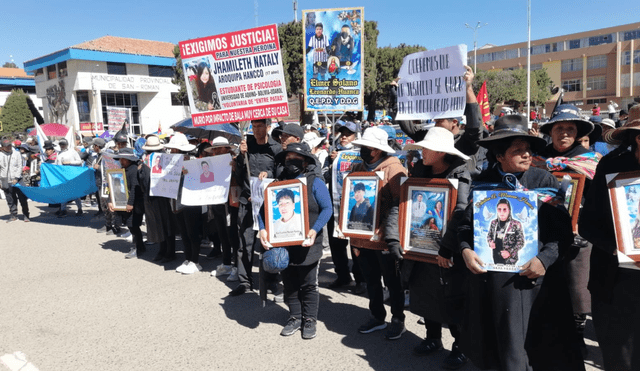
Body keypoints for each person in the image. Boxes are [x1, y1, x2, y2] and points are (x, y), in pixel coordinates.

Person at [457, 115, 581, 371]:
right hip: (493, 283)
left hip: (536, 280)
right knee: (497, 345)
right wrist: (465, 250)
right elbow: (466, 226)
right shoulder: (482, 183)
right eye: (518, 150)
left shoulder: (543, 181)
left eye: (528, 149)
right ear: (499, 155)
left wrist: (543, 260)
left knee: (537, 347)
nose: (527, 155)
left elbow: (563, 233)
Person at [403, 126, 472, 369]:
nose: (422, 151)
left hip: (447, 250)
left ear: (442, 152)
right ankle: (432, 338)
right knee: (425, 293)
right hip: (422, 245)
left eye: (427, 147)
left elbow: (461, 213)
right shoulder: (419, 172)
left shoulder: (460, 176)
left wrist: (448, 248)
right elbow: (408, 207)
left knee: (451, 298)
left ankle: (460, 347)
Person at [580, 104, 640, 371]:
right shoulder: (611, 165)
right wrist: (617, 248)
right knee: (620, 358)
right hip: (615, 281)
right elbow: (587, 224)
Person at [537, 104, 597, 352]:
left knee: (577, 287)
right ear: (550, 131)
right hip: (543, 230)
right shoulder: (537, 159)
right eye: (558, 128)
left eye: (570, 129)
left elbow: (598, 203)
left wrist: (582, 227)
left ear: (577, 132)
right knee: (545, 285)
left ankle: (577, 334)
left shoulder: (591, 161)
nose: (564, 133)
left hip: (578, 234)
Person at [258, 143, 332, 339]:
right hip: (284, 243)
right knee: (289, 282)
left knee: (308, 283)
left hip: (308, 242)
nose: (291, 162)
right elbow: (261, 212)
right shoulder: (277, 185)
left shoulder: (315, 181)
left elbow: (327, 209)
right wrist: (263, 230)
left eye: (295, 158)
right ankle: (295, 316)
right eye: (288, 159)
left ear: (306, 162)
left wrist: (315, 230)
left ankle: (309, 319)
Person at [350, 127, 408, 340]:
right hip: (361, 237)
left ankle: (398, 318)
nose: (363, 149)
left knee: (392, 281)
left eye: (367, 146)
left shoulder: (395, 169)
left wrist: (389, 232)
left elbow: (401, 203)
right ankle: (377, 316)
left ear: (377, 149)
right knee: (371, 279)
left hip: (384, 239)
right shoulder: (358, 166)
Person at [230, 118, 282, 296]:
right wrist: (239, 157)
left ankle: (271, 281)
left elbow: (282, 175)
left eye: (260, 126)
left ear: (268, 127)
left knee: (269, 244)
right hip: (248, 201)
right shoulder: (246, 145)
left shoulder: (276, 149)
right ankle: (245, 281)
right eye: (254, 126)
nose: (257, 129)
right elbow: (238, 173)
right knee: (245, 242)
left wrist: (270, 175)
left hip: (269, 203)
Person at [325, 119, 365, 293]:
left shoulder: (362, 154)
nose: (344, 137)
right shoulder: (332, 154)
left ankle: (360, 279)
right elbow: (325, 177)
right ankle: (342, 276)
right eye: (342, 134)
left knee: (356, 243)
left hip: (355, 206)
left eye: (348, 134)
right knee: (336, 243)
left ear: (355, 136)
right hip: (335, 205)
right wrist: (332, 164)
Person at [166, 133, 202, 274]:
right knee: (184, 232)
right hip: (176, 202)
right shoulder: (170, 162)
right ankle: (188, 258)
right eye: (172, 149)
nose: (172, 151)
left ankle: (195, 260)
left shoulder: (192, 161)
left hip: (191, 202)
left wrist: (187, 173)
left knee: (192, 232)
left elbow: (198, 179)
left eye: (175, 149)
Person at [139, 135, 178, 263]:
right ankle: (162, 249)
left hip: (163, 196)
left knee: (167, 224)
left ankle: (170, 251)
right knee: (156, 224)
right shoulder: (144, 161)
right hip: (150, 196)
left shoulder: (166, 160)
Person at [110, 148, 145, 259]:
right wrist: (111, 200)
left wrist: (131, 203)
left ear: (128, 159)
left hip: (134, 204)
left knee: (134, 226)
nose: (120, 160)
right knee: (132, 226)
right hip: (125, 202)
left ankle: (136, 248)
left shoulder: (133, 169)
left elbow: (135, 188)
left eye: (122, 159)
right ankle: (140, 246)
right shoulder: (124, 170)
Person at [487, 199, 525, 265]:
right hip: (496, 256)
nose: (501, 212)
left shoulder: (516, 224)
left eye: (504, 209)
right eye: (499, 209)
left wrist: (509, 252)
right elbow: (489, 235)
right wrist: (490, 242)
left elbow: (521, 242)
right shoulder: (493, 223)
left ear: (509, 211)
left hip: (510, 259)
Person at [0, 139, 29, 222]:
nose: (9, 147)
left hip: (17, 179)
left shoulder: (16, 153)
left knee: (22, 198)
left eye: (10, 145)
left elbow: (19, 166)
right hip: (5, 179)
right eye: (7, 146)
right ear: (3, 147)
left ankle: (26, 214)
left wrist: (16, 178)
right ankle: (13, 215)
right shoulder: (0, 155)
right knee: (10, 199)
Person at [55, 138, 84, 217]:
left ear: (67, 145)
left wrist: (69, 162)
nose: (62, 146)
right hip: (62, 176)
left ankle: (80, 209)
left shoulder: (72, 152)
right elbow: (57, 164)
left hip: (71, 175)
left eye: (63, 144)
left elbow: (79, 161)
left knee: (75, 193)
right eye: (61, 144)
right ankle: (63, 210)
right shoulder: (59, 153)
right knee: (63, 193)